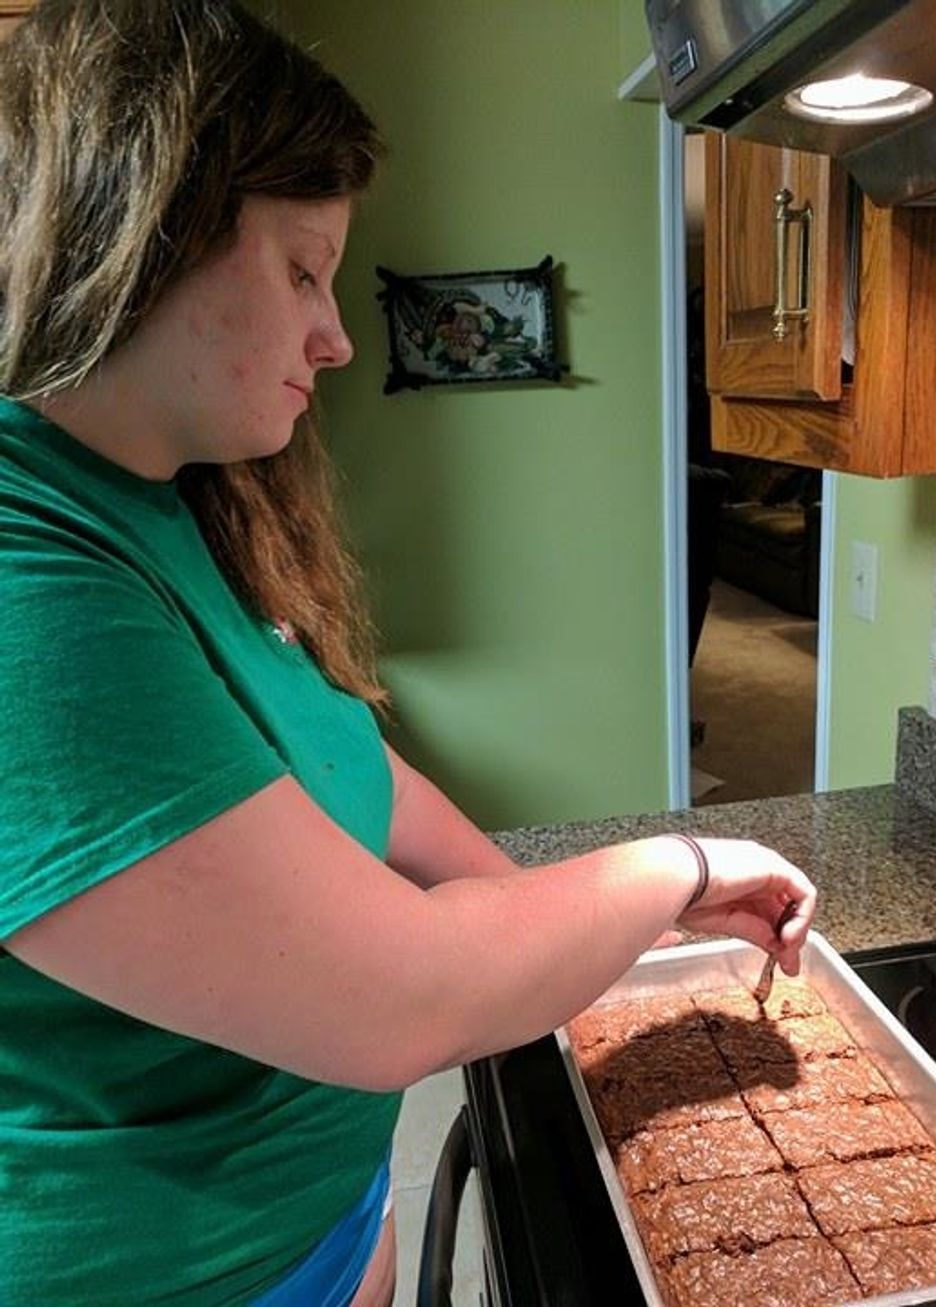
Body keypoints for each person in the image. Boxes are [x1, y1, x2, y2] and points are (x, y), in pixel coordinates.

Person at [0, 3, 817, 1304]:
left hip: (316, 1218)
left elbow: (348, 760)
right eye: (304, 270)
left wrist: (539, 925)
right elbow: (398, 1003)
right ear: (140, 240)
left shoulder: (163, 492)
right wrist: (682, 861)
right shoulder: (25, 587)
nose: (333, 336)